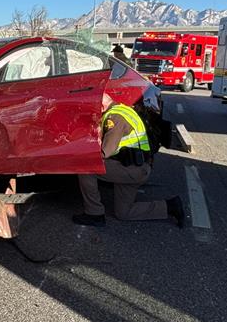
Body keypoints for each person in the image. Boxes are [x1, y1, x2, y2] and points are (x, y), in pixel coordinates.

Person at [73, 94, 184, 227]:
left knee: (86, 167)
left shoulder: (114, 118)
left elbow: (104, 152)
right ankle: (170, 206)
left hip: (131, 169)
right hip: (136, 166)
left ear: (101, 106)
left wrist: (80, 152)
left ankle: (94, 213)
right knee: (124, 213)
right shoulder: (123, 110)